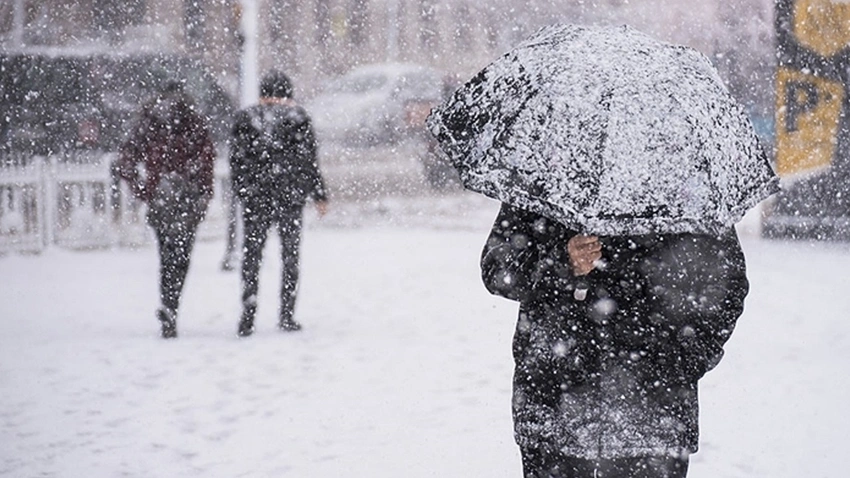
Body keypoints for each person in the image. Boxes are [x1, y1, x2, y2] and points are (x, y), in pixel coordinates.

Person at [480, 204, 749, 477]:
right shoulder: (546, 174)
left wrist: (682, 360)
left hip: (653, 419)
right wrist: (561, 261)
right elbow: (498, 270)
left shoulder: (684, 185)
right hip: (554, 408)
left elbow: (727, 284)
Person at [229, 71, 328, 337]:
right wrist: (318, 194)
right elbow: (309, 162)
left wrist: (244, 192)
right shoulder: (298, 118)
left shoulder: (245, 118)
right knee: (290, 256)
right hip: (289, 198)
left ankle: (248, 309)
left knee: (252, 255)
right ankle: (287, 313)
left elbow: (236, 161)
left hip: (256, 198)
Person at [115, 80, 216, 339]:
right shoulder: (193, 122)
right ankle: (172, 304)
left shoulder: (149, 122)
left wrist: (144, 189)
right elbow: (207, 161)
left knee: (167, 255)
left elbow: (125, 160)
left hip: (160, 197)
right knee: (181, 257)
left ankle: (168, 304)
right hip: (188, 197)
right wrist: (204, 193)